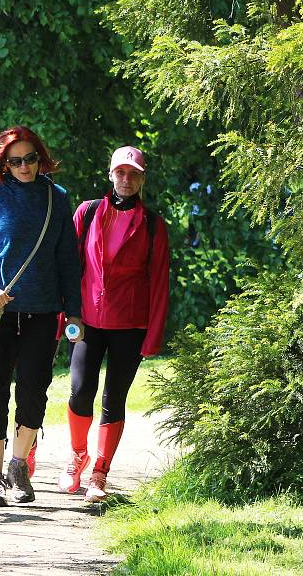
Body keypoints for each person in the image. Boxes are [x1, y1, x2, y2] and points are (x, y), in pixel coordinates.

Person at [0, 125, 83, 507]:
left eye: (30, 158)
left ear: (40, 158)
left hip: (43, 313)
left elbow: (68, 260)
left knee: (33, 394)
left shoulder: (56, 198)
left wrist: (74, 312)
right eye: (15, 161)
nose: (25, 166)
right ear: (3, 163)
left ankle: (19, 466)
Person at [56, 145, 169, 502]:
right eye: (121, 172)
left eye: (133, 174)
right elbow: (70, 267)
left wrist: (153, 336)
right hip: (87, 320)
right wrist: (64, 316)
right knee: (79, 391)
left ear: (141, 179)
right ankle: (77, 456)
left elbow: (160, 282)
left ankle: (100, 472)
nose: (126, 179)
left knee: (114, 398)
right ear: (110, 174)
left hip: (130, 324)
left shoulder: (153, 225)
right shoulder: (87, 212)